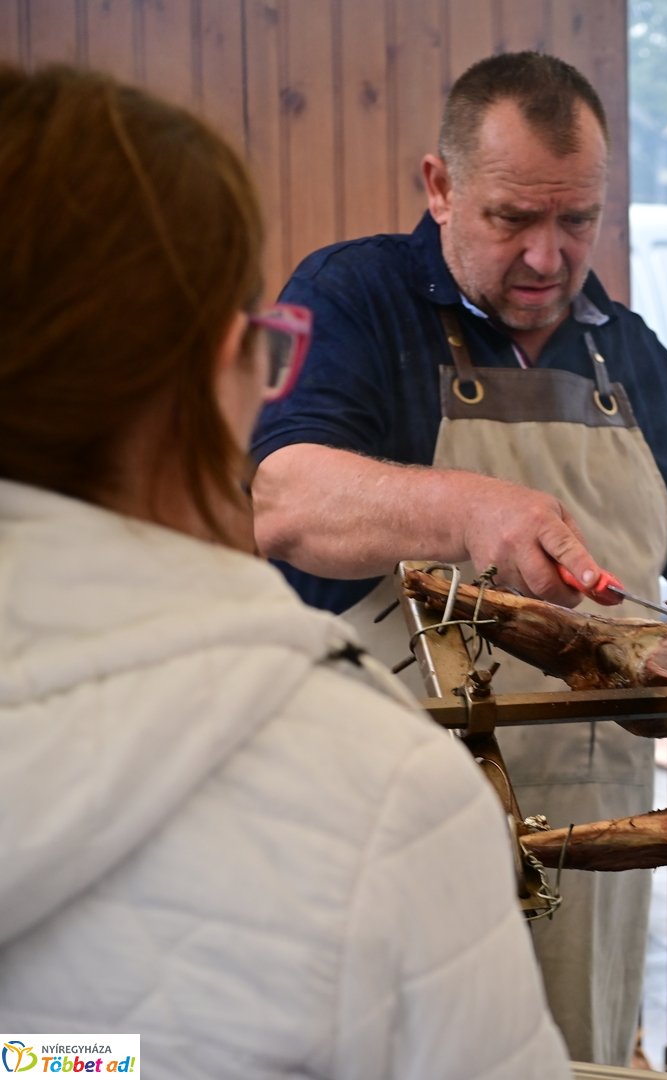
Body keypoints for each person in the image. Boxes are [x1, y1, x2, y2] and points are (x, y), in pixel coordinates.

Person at [249, 51, 667, 1064]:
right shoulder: (345, 298)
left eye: (576, 221)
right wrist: (472, 510)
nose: (547, 256)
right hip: (388, 829)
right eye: (512, 219)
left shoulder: (631, 352)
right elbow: (282, 499)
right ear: (439, 186)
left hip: (592, 842)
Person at [0, 65, 568, 1078]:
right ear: (219, 368)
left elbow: (55, 1061)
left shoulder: (626, 341)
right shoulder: (381, 799)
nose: (547, 253)